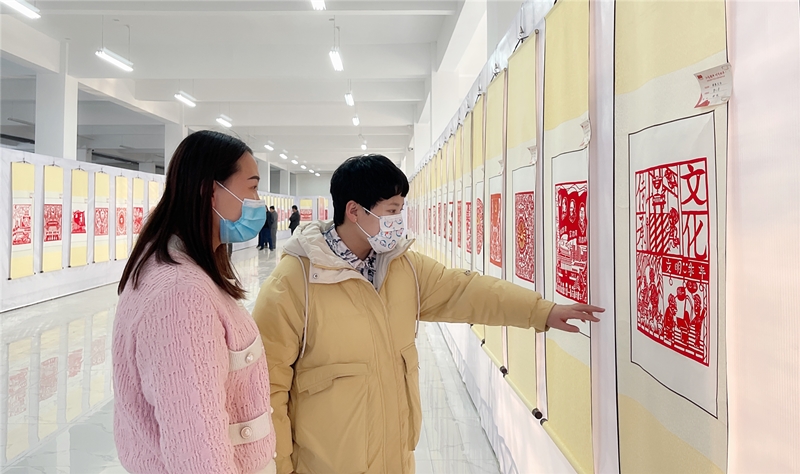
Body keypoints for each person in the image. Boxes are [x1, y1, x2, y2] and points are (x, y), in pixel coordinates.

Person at [251, 154, 603, 474]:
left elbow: (465, 291)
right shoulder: (295, 282)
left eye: (401, 209)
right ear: (354, 211)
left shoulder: (402, 269)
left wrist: (542, 311)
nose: (398, 221)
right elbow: (267, 387)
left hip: (395, 461)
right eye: (391, 210)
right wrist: (279, 468)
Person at [113, 130, 277, 474]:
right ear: (210, 190)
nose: (257, 201)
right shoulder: (180, 295)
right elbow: (197, 449)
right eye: (251, 187)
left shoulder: (177, 269)